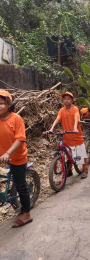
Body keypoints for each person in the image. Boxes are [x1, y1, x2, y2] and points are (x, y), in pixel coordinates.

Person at [0, 90, 33, 228]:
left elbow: (20, 139)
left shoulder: (16, 119)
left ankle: (26, 214)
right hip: (3, 157)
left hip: (16, 157)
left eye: (1, 103)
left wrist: (8, 153)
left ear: (8, 104)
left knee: (21, 185)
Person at [49, 92, 88, 179]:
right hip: (67, 137)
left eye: (68, 99)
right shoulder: (62, 110)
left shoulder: (75, 109)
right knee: (68, 155)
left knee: (81, 154)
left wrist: (75, 127)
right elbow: (57, 119)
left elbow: (76, 118)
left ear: (72, 100)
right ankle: (69, 170)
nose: (66, 100)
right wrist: (51, 128)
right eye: (65, 99)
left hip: (76, 136)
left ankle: (85, 170)